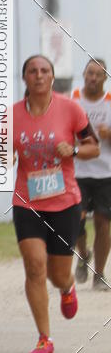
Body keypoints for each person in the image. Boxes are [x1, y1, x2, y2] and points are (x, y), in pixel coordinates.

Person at [12, 55, 99, 353]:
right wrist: (2, 158)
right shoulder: (11, 116)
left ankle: (67, 287)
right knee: (34, 265)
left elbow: (94, 145)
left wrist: (74, 149)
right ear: (25, 78)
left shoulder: (70, 108)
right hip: (27, 202)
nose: (39, 75)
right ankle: (44, 339)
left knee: (57, 274)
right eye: (32, 71)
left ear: (51, 77)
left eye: (44, 71)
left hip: (64, 203)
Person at [71, 59, 111, 290]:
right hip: (77, 170)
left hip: (105, 173)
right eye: (89, 73)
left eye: (98, 74)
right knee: (76, 219)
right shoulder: (73, 99)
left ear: (105, 78)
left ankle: (100, 274)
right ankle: (84, 254)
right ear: (83, 74)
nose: (93, 78)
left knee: (103, 223)